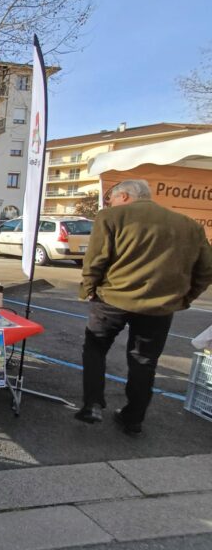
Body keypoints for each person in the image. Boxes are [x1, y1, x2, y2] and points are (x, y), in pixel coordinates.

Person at [74, 179, 212, 433]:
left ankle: (92, 403)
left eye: (111, 199)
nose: (108, 203)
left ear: (124, 196)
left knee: (94, 348)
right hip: (160, 306)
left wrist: (89, 290)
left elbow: (95, 259)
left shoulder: (112, 216)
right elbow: (206, 270)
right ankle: (133, 417)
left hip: (112, 298)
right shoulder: (189, 225)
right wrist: (185, 298)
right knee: (144, 360)